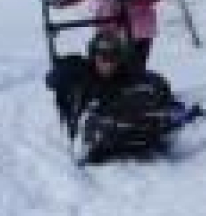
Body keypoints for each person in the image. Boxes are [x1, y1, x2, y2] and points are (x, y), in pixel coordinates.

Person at [45, 31, 195, 163]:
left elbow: (154, 82)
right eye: (103, 56)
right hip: (89, 122)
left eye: (113, 56)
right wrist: (61, 73)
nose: (108, 62)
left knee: (143, 93)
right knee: (95, 115)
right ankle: (102, 136)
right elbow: (52, 80)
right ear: (93, 55)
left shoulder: (126, 73)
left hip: (121, 116)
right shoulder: (80, 70)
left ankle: (148, 126)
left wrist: (173, 107)